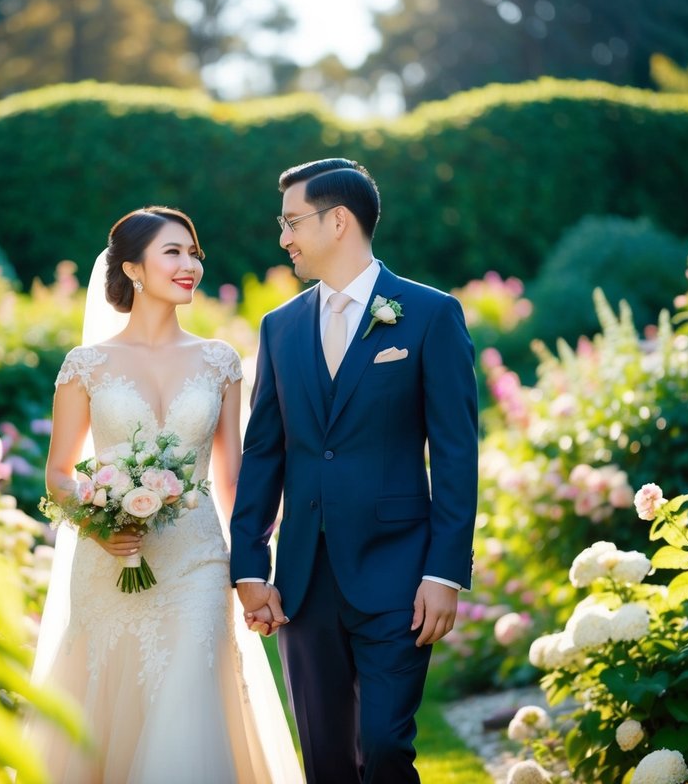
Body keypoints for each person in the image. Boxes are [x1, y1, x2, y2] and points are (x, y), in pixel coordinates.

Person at [29, 206, 301, 783]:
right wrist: (99, 524)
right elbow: (57, 472)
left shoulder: (220, 362)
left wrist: (254, 568)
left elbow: (233, 479)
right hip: (109, 561)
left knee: (185, 700)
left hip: (196, 562)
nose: (190, 265)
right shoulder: (85, 366)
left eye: (193, 253)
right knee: (109, 703)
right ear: (132, 267)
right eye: (172, 253)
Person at [230, 158, 479, 783]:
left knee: (386, 745)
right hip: (305, 581)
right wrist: (249, 565)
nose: (283, 237)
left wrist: (445, 571)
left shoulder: (429, 314)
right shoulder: (280, 328)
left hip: (399, 573)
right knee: (327, 758)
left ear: (337, 220)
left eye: (291, 222)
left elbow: (455, 453)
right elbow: (264, 452)